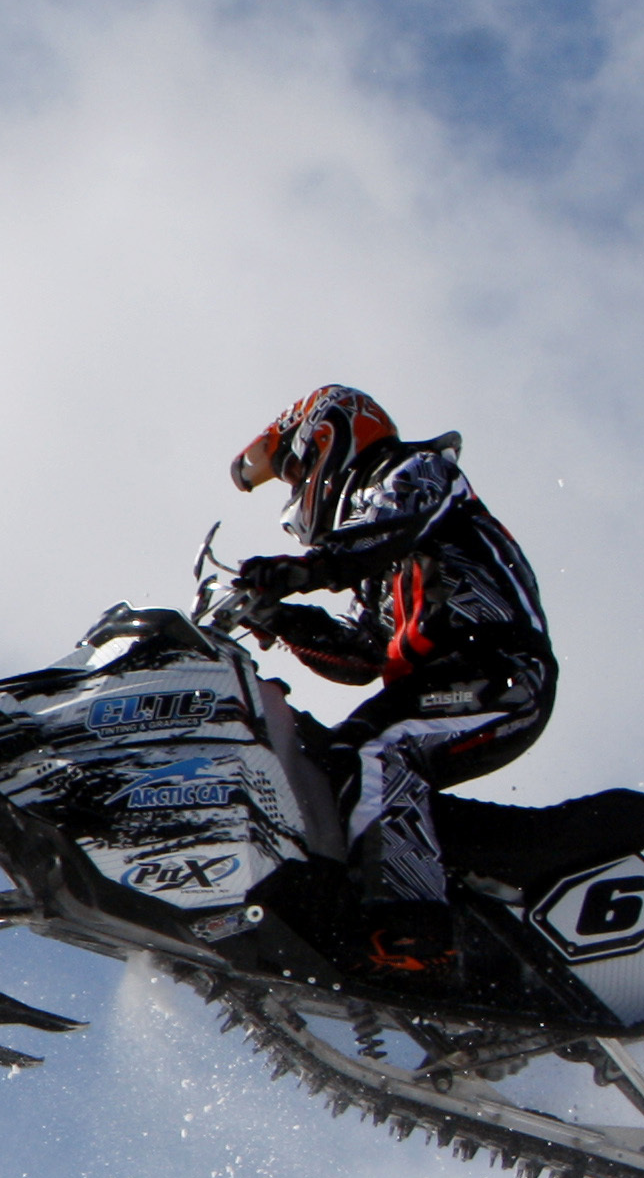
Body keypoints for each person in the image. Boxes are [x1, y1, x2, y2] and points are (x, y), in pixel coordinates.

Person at [217, 382, 553, 989]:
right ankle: (367, 905)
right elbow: (361, 657)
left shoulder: (419, 472)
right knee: (337, 756)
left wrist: (300, 572)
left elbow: (382, 535)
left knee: (378, 747)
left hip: (498, 672)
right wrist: (279, 617)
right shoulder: (380, 569)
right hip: (447, 681)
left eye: (295, 470)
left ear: (327, 439)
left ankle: (415, 934)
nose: (296, 491)